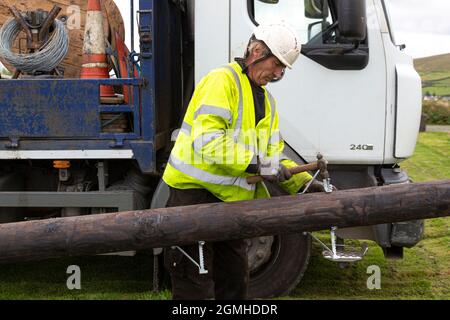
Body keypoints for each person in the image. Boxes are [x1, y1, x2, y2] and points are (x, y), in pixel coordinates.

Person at [162, 22, 325, 300]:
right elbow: (208, 141)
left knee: (235, 281)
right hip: (194, 196)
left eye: (283, 68)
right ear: (256, 51)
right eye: (276, 64)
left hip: (230, 203)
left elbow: (272, 156)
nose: (278, 73)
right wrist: (260, 165)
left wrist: (304, 185)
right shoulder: (221, 81)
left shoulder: (268, 103)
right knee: (194, 284)